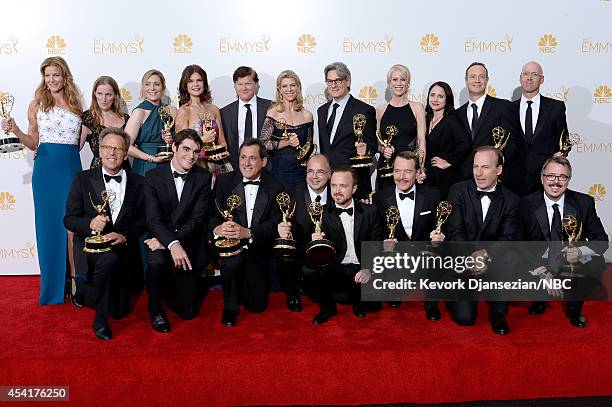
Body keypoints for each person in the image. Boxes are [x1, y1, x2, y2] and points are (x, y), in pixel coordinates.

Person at [1, 56, 84, 305]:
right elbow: (33, 142)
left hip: (71, 166)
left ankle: (76, 283)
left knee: (72, 227)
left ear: (64, 76)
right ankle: (52, 289)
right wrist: (15, 130)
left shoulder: (76, 102)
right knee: (49, 228)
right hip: (46, 169)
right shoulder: (36, 104)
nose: (51, 80)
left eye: (56, 75)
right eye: (47, 75)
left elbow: (79, 141)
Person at [64, 128, 145, 340]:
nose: (112, 153)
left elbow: (144, 221)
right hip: (92, 248)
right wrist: (90, 223)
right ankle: (100, 318)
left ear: (126, 154)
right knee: (109, 261)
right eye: (108, 148)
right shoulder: (82, 179)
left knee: (120, 311)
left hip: (124, 249)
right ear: (100, 151)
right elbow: (69, 219)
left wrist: (124, 235)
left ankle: (86, 291)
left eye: (118, 149)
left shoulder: (139, 183)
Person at [518, 157, 608, 327]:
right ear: (542, 178)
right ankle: (539, 299)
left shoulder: (584, 203)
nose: (556, 182)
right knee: (514, 261)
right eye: (551, 175)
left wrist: (581, 251)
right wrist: (542, 272)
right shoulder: (525, 204)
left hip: (570, 261)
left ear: (568, 180)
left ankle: (574, 308)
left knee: (595, 263)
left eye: (562, 177)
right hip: (539, 261)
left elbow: (602, 241)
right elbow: (519, 244)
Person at [143, 129, 213, 332]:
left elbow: (197, 220)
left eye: (196, 151)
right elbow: (152, 219)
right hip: (163, 237)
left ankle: (172, 289)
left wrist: (169, 242)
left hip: (188, 241)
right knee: (156, 261)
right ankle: (154, 308)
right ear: (174, 147)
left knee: (188, 312)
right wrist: (171, 244)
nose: (191, 156)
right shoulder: (152, 176)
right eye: (186, 149)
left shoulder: (203, 177)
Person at [446, 146, 520, 335]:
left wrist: (485, 254)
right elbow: (455, 231)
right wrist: (471, 257)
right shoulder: (458, 191)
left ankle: (498, 314)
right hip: (464, 258)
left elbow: (508, 238)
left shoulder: (512, 199)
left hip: (493, 260)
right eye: (475, 166)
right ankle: (452, 295)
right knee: (465, 319)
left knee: (511, 257)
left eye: (485, 167)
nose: (478, 173)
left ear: (499, 170)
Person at [211, 139, 284, 326]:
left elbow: (276, 222)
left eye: (252, 158)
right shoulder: (224, 181)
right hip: (230, 247)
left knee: (257, 306)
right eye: (243, 157)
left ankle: (244, 288)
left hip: (257, 246)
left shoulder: (275, 184)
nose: (246, 163)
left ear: (264, 161)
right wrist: (218, 228)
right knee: (231, 263)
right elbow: (210, 214)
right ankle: (230, 307)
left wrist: (249, 233)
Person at [306, 166, 382, 324]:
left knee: (374, 305)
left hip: (362, 267)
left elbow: (376, 245)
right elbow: (313, 253)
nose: (337, 191)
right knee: (308, 271)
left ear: (354, 188)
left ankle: (359, 298)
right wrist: (316, 243)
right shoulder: (320, 214)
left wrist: (369, 269)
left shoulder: (370, 212)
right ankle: (328, 308)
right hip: (337, 268)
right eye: (333, 185)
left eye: (343, 186)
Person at [373, 151, 444, 320]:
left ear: (418, 172)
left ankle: (431, 301)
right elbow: (376, 232)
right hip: (395, 257)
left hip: (425, 255)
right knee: (392, 298)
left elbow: (440, 225)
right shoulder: (380, 198)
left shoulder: (433, 195)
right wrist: (383, 244)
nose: (401, 177)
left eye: (408, 171)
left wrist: (441, 236)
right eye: (397, 171)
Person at [277, 154, 333, 311]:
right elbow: (287, 223)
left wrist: (324, 238)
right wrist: (284, 230)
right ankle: (292, 294)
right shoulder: (292, 194)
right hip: (300, 251)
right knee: (284, 253)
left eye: (320, 172)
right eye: (310, 171)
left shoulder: (336, 194)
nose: (314, 177)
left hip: (328, 252)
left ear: (329, 174)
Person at [456, 62, 520, 191]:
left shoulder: (502, 107)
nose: (477, 80)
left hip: (495, 181)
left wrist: (497, 166)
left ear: (487, 80)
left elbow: (512, 142)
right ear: (466, 80)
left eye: (482, 76)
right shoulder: (457, 114)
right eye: (473, 76)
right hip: (463, 181)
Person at [317, 62, 377, 200]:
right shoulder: (322, 111)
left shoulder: (364, 110)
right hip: (329, 183)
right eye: (330, 81)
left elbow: (372, 146)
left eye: (338, 80)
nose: (333, 85)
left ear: (348, 81)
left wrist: (366, 149)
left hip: (354, 183)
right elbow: (326, 148)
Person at [511, 61, 569, 195]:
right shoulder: (507, 109)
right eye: (525, 74)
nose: (529, 78)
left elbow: (564, 141)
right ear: (520, 78)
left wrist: (560, 156)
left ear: (542, 79)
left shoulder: (556, 108)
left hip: (545, 179)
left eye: (534, 74)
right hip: (513, 180)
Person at [175, 64, 231, 180]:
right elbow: (181, 146)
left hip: (220, 165)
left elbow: (222, 141)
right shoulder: (184, 111)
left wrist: (221, 152)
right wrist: (203, 140)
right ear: (185, 85)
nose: (195, 84)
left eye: (199, 80)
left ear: (204, 83)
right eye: (191, 81)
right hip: (197, 167)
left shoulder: (214, 109)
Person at [260, 70, 314, 189]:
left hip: (301, 172)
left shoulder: (307, 115)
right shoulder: (273, 113)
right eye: (285, 86)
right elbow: (263, 144)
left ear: (298, 87)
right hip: (277, 171)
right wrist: (286, 143)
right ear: (279, 89)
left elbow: (309, 145)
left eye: (293, 85)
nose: (289, 89)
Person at [375, 64, 426, 190]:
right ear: (389, 83)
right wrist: (383, 150)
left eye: (403, 79)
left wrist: (420, 167)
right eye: (395, 79)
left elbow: (421, 141)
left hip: (409, 167)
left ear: (408, 83)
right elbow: (375, 142)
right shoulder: (380, 111)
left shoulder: (417, 107)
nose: (399, 83)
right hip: (386, 167)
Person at [424, 81, 471, 199]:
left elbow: (465, 144)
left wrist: (449, 162)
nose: (435, 99)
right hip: (426, 176)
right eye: (432, 95)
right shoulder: (425, 119)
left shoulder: (451, 120)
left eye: (440, 96)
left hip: (443, 178)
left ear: (447, 99)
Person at [220, 66, 272, 169]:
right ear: (235, 86)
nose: (244, 88)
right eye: (240, 84)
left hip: (266, 168)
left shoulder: (270, 107)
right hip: (235, 168)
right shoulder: (224, 112)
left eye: (248, 84)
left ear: (256, 84)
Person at [125, 69, 174, 176]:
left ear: (163, 88)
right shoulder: (139, 112)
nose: (152, 88)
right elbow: (126, 146)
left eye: (156, 84)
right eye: (148, 84)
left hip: (168, 165)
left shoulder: (170, 111)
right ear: (143, 88)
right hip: (145, 166)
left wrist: (170, 141)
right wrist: (151, 158)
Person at [81, 76, 131, 169]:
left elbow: (133, 147)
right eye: (100, 94)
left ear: (115, 95)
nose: (103, 99)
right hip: (98, 172)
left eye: (108, 94)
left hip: (124, 170)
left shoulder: (126, 118)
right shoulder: (87, 117)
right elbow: (75, 148)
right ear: (94, 94)